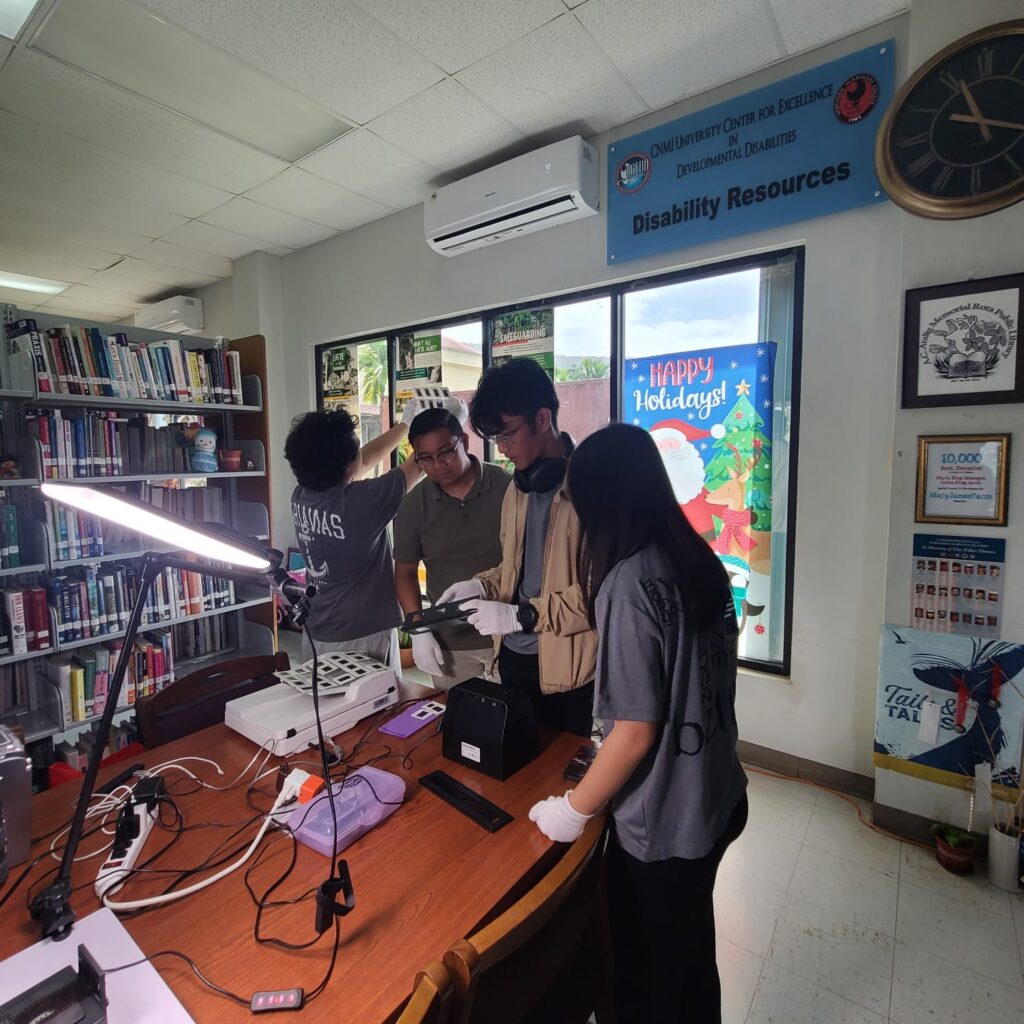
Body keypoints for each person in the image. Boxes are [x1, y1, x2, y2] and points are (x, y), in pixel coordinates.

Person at [528, 423, 748, 1023]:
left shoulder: (627, 584)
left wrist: (572, 809)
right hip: (716, 794)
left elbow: (633, 733)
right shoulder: (697, 557)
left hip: (666, 822)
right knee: (690, 954)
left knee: (644, 979)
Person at [438, 358, 597, 737]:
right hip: (511, 659)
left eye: (508, 435)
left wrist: (520, 617)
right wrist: (481, 586)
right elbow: (514, 570)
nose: (503, 449)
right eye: (495, 440)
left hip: (566, 669)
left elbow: (598, 597)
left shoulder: (592, 490)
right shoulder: (518, 488)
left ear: (543, 419)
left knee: (559, 780)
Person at [284, 401, 424, 664]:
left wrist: (404, 426)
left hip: (317, 631)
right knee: (380, 705)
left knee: (325, 704)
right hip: (365, 634)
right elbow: (421, 461)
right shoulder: (363, 502)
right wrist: (449, 419)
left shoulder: (301, 495)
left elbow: (363, 460)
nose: (361, 453)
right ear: (347, 465)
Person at [393, 404, 510, 687]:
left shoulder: (507, 487)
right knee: (459, 721)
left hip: (509, 632)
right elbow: (405, 572)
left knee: (519, 722)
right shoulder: (412, 505)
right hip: (450, 641)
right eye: (425, 459)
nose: (437, 465)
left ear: (465, 442)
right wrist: (419, 629)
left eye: (445, 452)